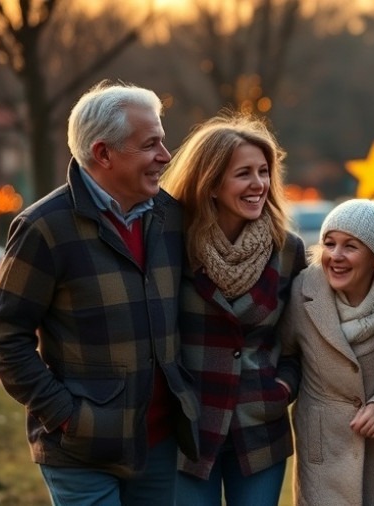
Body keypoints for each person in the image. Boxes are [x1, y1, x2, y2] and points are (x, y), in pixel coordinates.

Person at [0, 80, 199, 505]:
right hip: (80, 450)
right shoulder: (44, 228)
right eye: (150, 144)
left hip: (160, 446)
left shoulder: (171, 216)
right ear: (104, 153)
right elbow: (3, 339)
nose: (165, 156)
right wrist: (66, 416)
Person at [159, 114, 306, 505]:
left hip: (260, 428)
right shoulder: (171, 244)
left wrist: (282, 387)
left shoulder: (287, 250)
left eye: (263, 172)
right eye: (244, 174)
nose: (259, 184)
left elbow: (298, 340)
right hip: (188, 428)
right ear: (210, 183)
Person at [278, 198, 374, 505]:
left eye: (351, 246)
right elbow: (284, 356)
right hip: (323, 463)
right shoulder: (302, 291)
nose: (336, 256)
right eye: (330, 243)